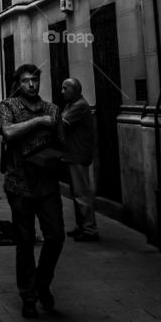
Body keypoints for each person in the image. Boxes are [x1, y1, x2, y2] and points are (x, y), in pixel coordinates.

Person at [0, 64, 64, 319]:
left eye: (35, 80)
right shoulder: (9, 106)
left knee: (56, 236)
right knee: (24, 242)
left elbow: (61, 141)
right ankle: (28, 295)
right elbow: (8, 131)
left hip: (47, 185)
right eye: (26, 81)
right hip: (19, 185)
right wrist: (38, 122)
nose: (32, 85)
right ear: (19, 83)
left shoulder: (53, 109)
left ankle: (42, 282)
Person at [60, 77, 100, 242]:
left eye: (65, 88)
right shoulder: (71, 104)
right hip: (72, 154)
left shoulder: (79, 106)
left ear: (75, 90)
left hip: (78, 154)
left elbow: (61, 123)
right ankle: (81, 225)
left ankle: (89, 229)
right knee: (76, 193)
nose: (62, 92)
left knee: (81, 193)